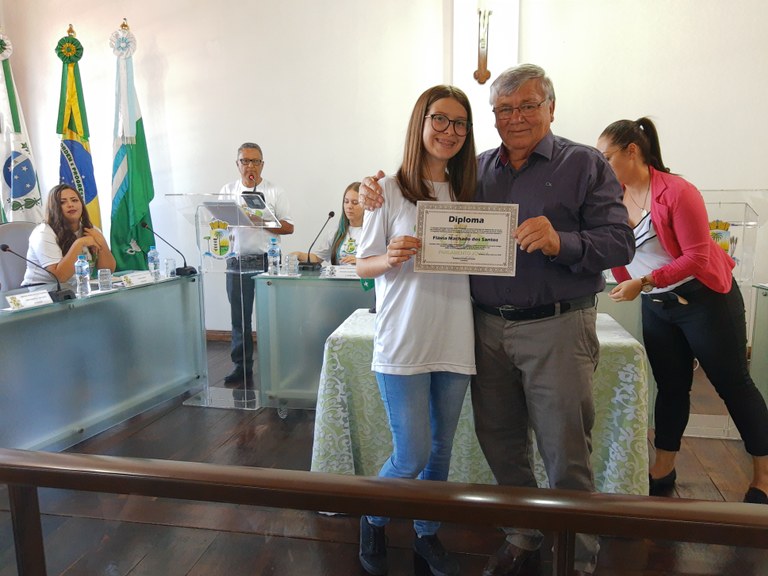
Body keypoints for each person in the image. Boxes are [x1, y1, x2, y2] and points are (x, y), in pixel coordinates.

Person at [359, 64, 635, 576]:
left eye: (528, 105)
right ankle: (522, 535)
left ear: (551, 108)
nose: (516, 117)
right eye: (504, 109)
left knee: (565, 452)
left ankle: (575, 559)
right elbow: (413, 202)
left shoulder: (585, 163)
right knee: (502, 445)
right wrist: (367, 190)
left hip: (556, 326)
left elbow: (621, 243)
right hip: (484, 329)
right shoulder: (476, 173)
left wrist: (562, 241)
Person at [597, 117, 768, 504]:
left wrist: (644, 281)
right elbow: (616, 248)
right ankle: (663, 466)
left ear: (632, 151)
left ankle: (764, 475)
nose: (601, 166)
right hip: (658, 304)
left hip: (705, 300)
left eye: (606, 158)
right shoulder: (613, 196)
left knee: (733, 385)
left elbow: (697, 256)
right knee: (671, 387)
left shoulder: (677, 191)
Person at [355, 85, 477, 576]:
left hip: (455, 336)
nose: (450, 131)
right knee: (412, 452)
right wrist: (390, 257)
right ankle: (373, 517)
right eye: (440, 119)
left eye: (460, 123)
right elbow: (362, 265)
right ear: (420, 123)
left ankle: (427, 533)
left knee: (441, 450)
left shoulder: (471, 192)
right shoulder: (387, 190)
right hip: (404, 338)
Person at [218, 142, 294, 386]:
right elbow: (219, 225)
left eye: (255, 161)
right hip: (237, 261)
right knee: (240, 319)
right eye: (245, 161)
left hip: (267, 261)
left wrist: (259, 221)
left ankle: (277, 366)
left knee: (271, 317)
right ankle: (242, 367)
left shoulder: (274, 191)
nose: (250, 166)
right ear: (237, 164)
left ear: (263, 164)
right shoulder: (228, 191)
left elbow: (289, 227)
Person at [22, 184, 116, 286]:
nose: (70, 205)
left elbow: (107, 271)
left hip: (77, 288)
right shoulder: (43, 233)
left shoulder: (91, 230)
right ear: (53, 207)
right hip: (41, 289)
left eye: (74, 200)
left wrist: (102, 243)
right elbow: (60, 277)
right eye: (62, 202)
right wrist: (79, 243)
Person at [292, 182, 363, 266]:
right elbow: (317, 258)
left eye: (355, 202)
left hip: (363, 274)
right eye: (346, 201)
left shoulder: (373, 232)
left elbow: (378, 261)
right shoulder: (337, 231)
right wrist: (298, 254)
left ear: (366, 205)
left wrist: (361, 261)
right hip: (339, 274)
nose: (349, 206)